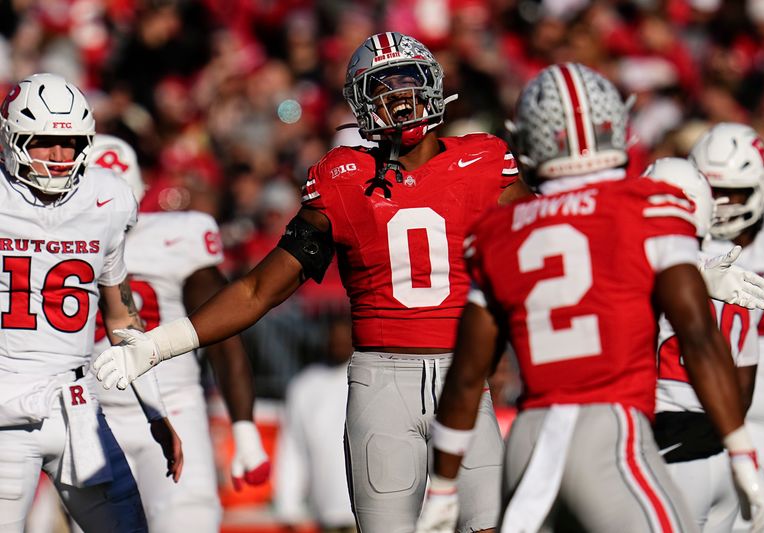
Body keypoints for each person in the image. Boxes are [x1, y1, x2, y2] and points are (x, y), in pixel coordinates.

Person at [94, 30, 532, 533]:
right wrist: (156, 345)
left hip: (464, 377)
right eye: (380, 89)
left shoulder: (481, 161)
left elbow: (540, 248)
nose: (398, 98)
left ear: (432, 83)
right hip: (383, 380)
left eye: (406, 81)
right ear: (361, 106)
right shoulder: (342, 179)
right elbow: (260, 289)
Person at [414, 63, 764, 533]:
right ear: (615, 129)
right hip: (611, 430)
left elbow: (464, 376)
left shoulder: (498, 233)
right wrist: (740, 448)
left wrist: (442, 485)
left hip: (529, 438)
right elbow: (699, 338)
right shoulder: (650, 206)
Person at [0, 73, 179, 532]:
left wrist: (155, 410)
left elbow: (121, 315)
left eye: (72, 143)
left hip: (76, 405)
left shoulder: (108, 198)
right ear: (11, 138)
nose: (60, 158)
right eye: (43, 143)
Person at [84, 134, 270, 532]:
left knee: (188, 522)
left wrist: (244, 428)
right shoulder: (58, 244)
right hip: (92, 415)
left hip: (173, 407)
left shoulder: (178, 236)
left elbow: (221, 330)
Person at [690, 122, 764, 533]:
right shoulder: (685, 244)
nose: (719, 205)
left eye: (730, 192)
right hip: (707, 421)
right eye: (712, 192)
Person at [646, 157, 761, 533]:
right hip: (721, 448)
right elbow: (742, 387)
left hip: (669, 445)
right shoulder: (734, 273)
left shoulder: (640, 270)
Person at [274, 315, 357, 533]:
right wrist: (288, 505)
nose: (338, 341)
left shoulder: (370, 378)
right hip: (325, 514)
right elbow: (292, 448)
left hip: (372, 515)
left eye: (344, 335)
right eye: (334, 335)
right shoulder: (304, 386)